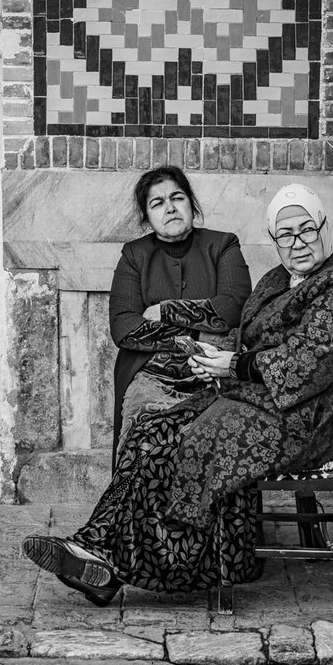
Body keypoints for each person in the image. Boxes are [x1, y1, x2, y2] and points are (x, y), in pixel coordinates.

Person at [22, 183, 333, 608]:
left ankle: (113, 564)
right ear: (275, 241)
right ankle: (94, 553)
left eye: (306, 230)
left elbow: (302, 364)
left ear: (323, 226)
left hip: (307, 419)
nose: (298, 243)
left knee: (179, 444)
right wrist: (217, 353)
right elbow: (136, 327)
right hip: (263, 400)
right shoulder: (281, 279)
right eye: (286, 235)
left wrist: (227, 363)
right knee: (149, 431)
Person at [108, 165, 252, 467]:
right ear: (147, 218)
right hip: (151, 376)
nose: (170, 208)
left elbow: (233, 307)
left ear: (191, 204)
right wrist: (198, 335)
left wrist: (165, 311)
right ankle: (148, 516)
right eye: (157, 203)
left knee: (220, 438)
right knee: (144, 436)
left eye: (178, 198)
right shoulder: (134, 255)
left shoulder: (223, 245)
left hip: (215, 371)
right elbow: (123, 326)